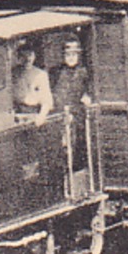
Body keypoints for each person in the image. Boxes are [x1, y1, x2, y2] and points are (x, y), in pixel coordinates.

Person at [51, 38, 91, 167]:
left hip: (78, 116)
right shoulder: (55, 72)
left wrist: (87, 97)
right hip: (60, 115)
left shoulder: (84, 72)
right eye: (68, 54)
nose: (71, 57)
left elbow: (89, 91)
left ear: (78, 55)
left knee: (78, 147)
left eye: (74, 54)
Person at [12, 42, 54, 125]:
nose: (27, 59)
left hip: (34, 114)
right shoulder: (13, 74)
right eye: (23, 56)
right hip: (17, 114)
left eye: (30, 55)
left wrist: (41, 116)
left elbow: (47, 100)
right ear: (18, 57)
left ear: (34, 56)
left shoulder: (40, 74)